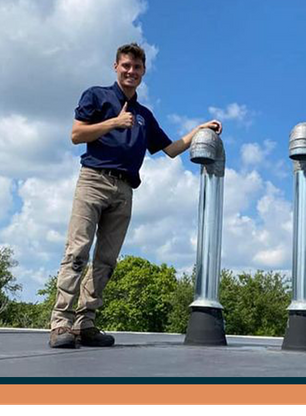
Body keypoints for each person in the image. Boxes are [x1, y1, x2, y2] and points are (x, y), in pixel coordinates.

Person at [49, 43, 222, 348]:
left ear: (143, 72)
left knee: (106, 261)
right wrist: (114, 122)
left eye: (137, 67)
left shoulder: (144, 115)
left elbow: (170, 150)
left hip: (125, 189)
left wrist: (198, 129)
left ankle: (85, 323)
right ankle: (60, 323)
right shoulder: (96, 96)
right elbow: (76, 135)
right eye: (126, 65)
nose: (131, 71)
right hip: (93, 180)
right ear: (116, 66)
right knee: (77, 252)